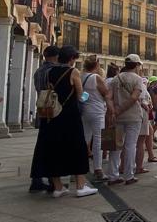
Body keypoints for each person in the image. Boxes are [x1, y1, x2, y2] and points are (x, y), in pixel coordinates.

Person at [30, 45, 98, 198]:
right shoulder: (72, 71)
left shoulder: (48, 72)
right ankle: (81, 186)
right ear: (72, 58)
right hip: (69, 116)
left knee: (53, 149)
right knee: (77, 148)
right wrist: (90, 97)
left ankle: (58, 187)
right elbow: (81, 96)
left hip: (51, 116)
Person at [107, 54, 146, 185]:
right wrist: (119, 110)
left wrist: (113, 111)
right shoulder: (138, 79)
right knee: (130, 145)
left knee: (115, 146)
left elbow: (108, 97)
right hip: (133, 115)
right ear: (136, 65)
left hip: (117, 118)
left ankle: (112, 175)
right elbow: (134, 98)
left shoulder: (115, 79)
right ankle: (129, 175)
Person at [29, 45, 60, 193]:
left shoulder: (38, 71)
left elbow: (39, 90)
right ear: (57, 56)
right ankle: (53, 181)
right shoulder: (53, 71)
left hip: (42, 111)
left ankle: (36, 180)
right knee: (53, 147)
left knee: (41, 146)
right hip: (53, 112)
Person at [80, 55, 115, 181]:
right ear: (96, 65)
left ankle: (78, 168)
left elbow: (81, 95)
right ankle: (98, 169)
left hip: (84, 111)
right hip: (97, 111)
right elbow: (106, 93)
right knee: (98, 139)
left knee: (85, 138)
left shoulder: (80, 76)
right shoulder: (96, 77)